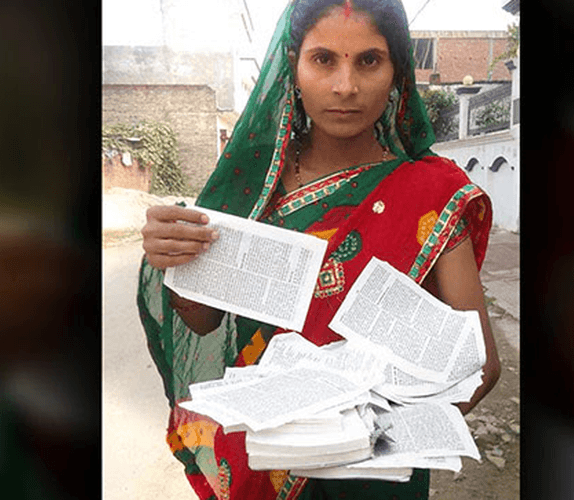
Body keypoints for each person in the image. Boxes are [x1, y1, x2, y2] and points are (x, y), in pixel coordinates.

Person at [137, 0, 500, 498]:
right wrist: (172, 256)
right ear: (294, 67)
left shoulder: (431, 193)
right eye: (324, 59)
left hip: (375, 471)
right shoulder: (252, 189)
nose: (345, 86)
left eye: (369, 60)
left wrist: (368, 438)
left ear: (397, 71)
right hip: (263, 459)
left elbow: (478, 366)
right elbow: (203, 320)